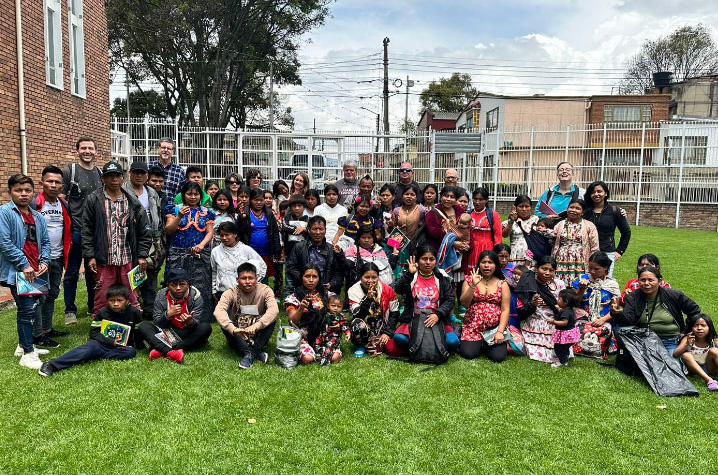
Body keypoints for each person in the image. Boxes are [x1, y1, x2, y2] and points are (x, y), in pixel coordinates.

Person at [82, 162, 151, 317]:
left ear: (123, 178)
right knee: (101, 294)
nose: (114, 179)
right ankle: (99, 324)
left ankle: (133, 323)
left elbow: (144, 231)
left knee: (132, 293)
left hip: (127, 257)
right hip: (103, 258)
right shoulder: (94, 200)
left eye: (117, 176)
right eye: (109, 176)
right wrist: (90, 255)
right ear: (103, 178)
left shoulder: (132, 201)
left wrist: (141, 255)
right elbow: (87, 229)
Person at [1, 174, 51, 369]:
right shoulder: (4, 213)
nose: (23, 194)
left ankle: (23, 346)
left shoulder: (37, 216)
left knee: (34, 306)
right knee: (26, 310)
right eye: (18, 190)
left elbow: (45, 242)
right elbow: (4, 242)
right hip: (19, 271)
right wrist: (24, 264)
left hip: (36, 271)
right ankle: (28, 354)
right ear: (10, 192)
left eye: (27, 190)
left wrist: (44, 260)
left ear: (33, 192)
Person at [38, 284, 143, 377]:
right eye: (112, 301)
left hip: (120, 347)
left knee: (130, 352)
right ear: (107, 301)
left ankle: (94, 355)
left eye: (120, 300)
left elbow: (138, 331)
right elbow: (93, 333)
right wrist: (110, 341)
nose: (116, 304)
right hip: (100, 343)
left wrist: (139, 345)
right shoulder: (102, 313)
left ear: (127, 300)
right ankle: (52, 364)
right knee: (90, 348)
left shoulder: (135, 312)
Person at [385, 246, 460, 358]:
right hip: (413, 318)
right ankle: (425, 345)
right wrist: (409, 274)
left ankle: (426, 345)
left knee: (452, 342)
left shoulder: (441, 277)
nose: (428, 262)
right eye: (424, 259)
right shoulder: (411, 275)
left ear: (435, 260)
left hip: (436, 319)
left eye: (431, 259)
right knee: (399, 338)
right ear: (418, 260)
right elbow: (399, 290)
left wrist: (438, 314)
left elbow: (450, 300)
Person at [611, 266, 701, 354]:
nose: (646, 283)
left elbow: (694, 310)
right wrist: (616, 313)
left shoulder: (674, 295)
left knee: (671, 366)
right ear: (638, 281)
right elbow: (628, 320)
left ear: (659, 281)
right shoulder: (633, 297)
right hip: (644, 340)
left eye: (651, 280)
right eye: (643, 280)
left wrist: (686, 331)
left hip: (670, 340)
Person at [61, 137, 103, 325]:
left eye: (91, 148)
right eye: (83, 148)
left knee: (93, 270)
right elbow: (61, 200)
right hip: (76, 230)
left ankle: (93, 305)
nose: (87, 151)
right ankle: (70, 310)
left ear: (96, 151)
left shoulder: (100, 173)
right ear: (77, 150)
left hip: (95, 231)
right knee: (71, 272)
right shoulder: (70, 172)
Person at [30, 166, 71, 346]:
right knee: (38, 296)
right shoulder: (33, 204)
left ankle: (47, 329)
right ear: (42, 183)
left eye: (57, 182)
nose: (53, 185)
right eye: (50, 181)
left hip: (58, 257)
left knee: (52, 294)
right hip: (39, 261)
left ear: (62, 186)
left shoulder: (64, 205)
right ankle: (37, 335)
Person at [137, 269, 212, 364]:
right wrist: (168, 315)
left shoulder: (196, 296)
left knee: (206, 327)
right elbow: (157, 323)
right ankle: (171, 352)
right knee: (144, 326)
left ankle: (161, 349)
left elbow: (197, 322)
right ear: (167, 285)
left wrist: (190, 322)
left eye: (182, 284)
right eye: (173, 285)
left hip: (186, 332)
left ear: (188, 284)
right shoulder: (161, 295)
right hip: (166, 332)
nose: (178, 288)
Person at [164, 181, 215, 320]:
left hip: (199, 252)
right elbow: (169, 230)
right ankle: (176, 313)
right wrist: (179, 216)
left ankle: (201, 316)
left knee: (200, 283)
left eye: (196, 194)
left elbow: (209, 233)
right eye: (189, 194)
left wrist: (202, 245)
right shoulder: (174, 209)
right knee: (177, 283)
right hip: (177, 253)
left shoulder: (207, 212)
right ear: (183, 195)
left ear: (201, 195)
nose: (193, 197)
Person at [214, 262, 279, 369]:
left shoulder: (265, 290)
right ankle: (255, 353)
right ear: (237, 279)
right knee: (224, 322)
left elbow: (274, 309)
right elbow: (218, 311)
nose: (247, 282)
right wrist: (233, 330)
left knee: (271, 320)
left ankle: (250, 353)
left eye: (251, 278)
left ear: (257, 278)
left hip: (258, 331)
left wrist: (257, 325)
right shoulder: (230, 292)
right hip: (239, 332)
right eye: (244, 278)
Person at [122, 161, 164, 319]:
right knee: (132, 272)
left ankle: (149, 307)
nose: (139, 176)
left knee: (151, 272)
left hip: (152, 238)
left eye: (142, 173)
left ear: (147, 175)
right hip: (130, 237)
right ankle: (132, 307)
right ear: (130, 173)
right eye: (136, 172)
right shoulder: (123, 191)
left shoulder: (151, 192)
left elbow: (157, 213)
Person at [459, 251, 511, 362]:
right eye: (483, 262)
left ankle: (485, 343)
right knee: (468, 354)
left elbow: (505, 310)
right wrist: (473, 285)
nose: (487, 265)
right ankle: (476, 341)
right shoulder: (469, 280)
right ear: (479, 264)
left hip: (494, 329)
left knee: (498, 357)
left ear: (495, 265)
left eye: (490, 262)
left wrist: (500, 332)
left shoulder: (502, 284)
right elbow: (464, 303)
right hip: (473, 327)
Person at [515, 255, 567, 364]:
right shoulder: (528, 282)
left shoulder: (559, 284)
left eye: (551, 270)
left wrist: (559, 307)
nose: (547, 273)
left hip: (555, 320)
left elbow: (566, 306)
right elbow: (521, 310)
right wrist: (532, 304)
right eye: (544, 269)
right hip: (536, 320)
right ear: (536, 268)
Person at [571, 251, 620, 360]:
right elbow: (574, 304)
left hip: (603, 318)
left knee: (600, 331)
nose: (592, 271)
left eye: (596, 269)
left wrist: (603, 319)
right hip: (582, 317)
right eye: (590, 268)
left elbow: (616, 308)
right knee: (580, 328)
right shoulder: (581, 280)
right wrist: (581, 290)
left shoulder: (612, 284)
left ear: (605, 268)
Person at [285, 264, 335, 365]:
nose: (311, 280)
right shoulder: (293, 298)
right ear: (301, 278)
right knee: (308, 359)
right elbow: (292, 321)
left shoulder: (328, 295)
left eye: (314, 277)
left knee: (335, 358)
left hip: (324, 335)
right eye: (307, 276)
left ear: (319, 278)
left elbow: (337, 315)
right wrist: (301, 308)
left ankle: (319, 350)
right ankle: (308, 351)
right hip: (303, 337)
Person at [347, 262, 400, 358]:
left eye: (374, 277)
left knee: (390, 350)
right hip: (364, 326)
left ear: (378, 277)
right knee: (357, 323)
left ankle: (377, 340)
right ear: (360, 277)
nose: (370, 281)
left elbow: (395, 313)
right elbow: (358, 315)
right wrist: (368, 299)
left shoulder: (387, 289)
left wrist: (387, 333)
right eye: (367, 277)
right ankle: (361, 344)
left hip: (382, 326)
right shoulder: (353, 291)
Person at [286, 216, 346, 295]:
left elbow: (339, 272)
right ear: (308, 230)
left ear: (325, 230)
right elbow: (291, 267)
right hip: (303, 289)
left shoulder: (331, 249)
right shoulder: (299, 247)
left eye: (321, 229)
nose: (318, 232)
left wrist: (332, 284)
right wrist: (304, 279)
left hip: (326, 290)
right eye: (315, 229)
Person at [583, 181, 631, 277]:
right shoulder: (584, 211)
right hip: (586, 251)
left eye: (599, 191)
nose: (596, 194)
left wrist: (619, 251)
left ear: (606, 193)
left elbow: (626, 232)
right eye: (593, 192)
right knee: (586, 280)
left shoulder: (615, 211)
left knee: (605, 281)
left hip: (607, 252)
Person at [211, 221, 266, 301]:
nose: (224, 238)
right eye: (222, 235)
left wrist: (252, 283)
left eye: (227, 235)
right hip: (223, 293)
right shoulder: (215, 251)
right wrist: (214, 290)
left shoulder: (246, 250)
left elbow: (262, 266)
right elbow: (214, 271)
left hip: (243, 293)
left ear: (235, 234)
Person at [551, 198, 599, 286]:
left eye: (577, 208)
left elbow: (595, 247)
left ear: (583, 212)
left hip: (580, 261)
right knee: (561, 284)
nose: (573, 210)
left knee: (579, 285)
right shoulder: (560, 224)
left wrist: (592, 265)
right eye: (571, 207)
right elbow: (553, 241)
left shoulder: (589, 225)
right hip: (562, 260)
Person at [243, 188, 282, 295]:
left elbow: (274, 233)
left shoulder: (268, 214)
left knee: (264, 276)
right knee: (249, 276)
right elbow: (241, 232)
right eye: (256, 200)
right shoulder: (245, 214)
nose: (259, 202)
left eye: (261, 200)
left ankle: (263, 298)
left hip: (266, 253)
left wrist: (276, 252)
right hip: (250, 254)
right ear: (250, 200)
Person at [387, 184, 426, 279]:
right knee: (397, 271)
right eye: (406, 194)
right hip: (399, 244)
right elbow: (391, 231)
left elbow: (425, 227)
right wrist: (392, 226)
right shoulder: (396, 210)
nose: (409, 197)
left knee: (412, 270)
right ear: (402, 196)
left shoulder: (421, 210)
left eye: (412, 194)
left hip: (415, 244)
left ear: (416, 196)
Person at [673, 314, 718, 392]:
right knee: (686, 355)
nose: (699, 328)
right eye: (696, 325)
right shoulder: (688, 339)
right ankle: (709, 380)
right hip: (694, 370)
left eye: (703, 325)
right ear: (691, 328)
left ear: (709, 328)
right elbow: (675, 354)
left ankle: (711, 377)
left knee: (715, 351)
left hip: (710, 369)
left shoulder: (713, 340)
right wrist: (686, 344)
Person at [467, 188, 502, 268]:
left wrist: (496, 252)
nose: (477, 202)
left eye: (481, 199)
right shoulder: (468, 214)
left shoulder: (492, 214)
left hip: (488, 248)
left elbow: (498, 235)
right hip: (471, 250)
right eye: (475, 199)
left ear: (486, 200)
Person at [502, 195, 541, 268]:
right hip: (516, 256)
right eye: (521, 206)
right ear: (515, 208)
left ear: (531, 207)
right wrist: (511, 221)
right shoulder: (510, 222)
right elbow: (504, 235)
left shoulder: (537, 220)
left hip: (532, 256)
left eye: (527, 206)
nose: (524, 209)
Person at [547, 288, 582, 368]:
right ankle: (566, 357)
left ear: (565, 302)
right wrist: (559, 309)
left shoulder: (565, 312)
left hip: (565, 334)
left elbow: (564, 322)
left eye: (559, 299)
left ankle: (563, 362)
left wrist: (553, 322)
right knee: (565, 348)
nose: (557, 300)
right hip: (569, 334)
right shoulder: (568, 310)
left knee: (558, 349)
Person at [313, 294, 351, 365]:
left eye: (339, 306)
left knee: (330, 346)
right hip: (323, 336)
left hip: (334, 338)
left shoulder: (341, 317)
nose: (336, 308)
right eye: (333, 306)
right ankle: (319, 356)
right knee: (317, 345)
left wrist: (348, 333)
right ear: (328, 306)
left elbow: (345, 326)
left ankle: (325, 361)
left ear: (342, 308)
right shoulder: (325, 314)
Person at [425, 186, 464, 253]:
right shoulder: (432, 213)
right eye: (446, 196)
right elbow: (435, 233)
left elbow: (467, 228)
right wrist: (452, 243)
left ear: (456, 199)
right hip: (440, 250)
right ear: (440, 197)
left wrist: (467, 245)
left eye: (452, 197)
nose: (448, 199)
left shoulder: (460, 210)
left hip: (459, 250)